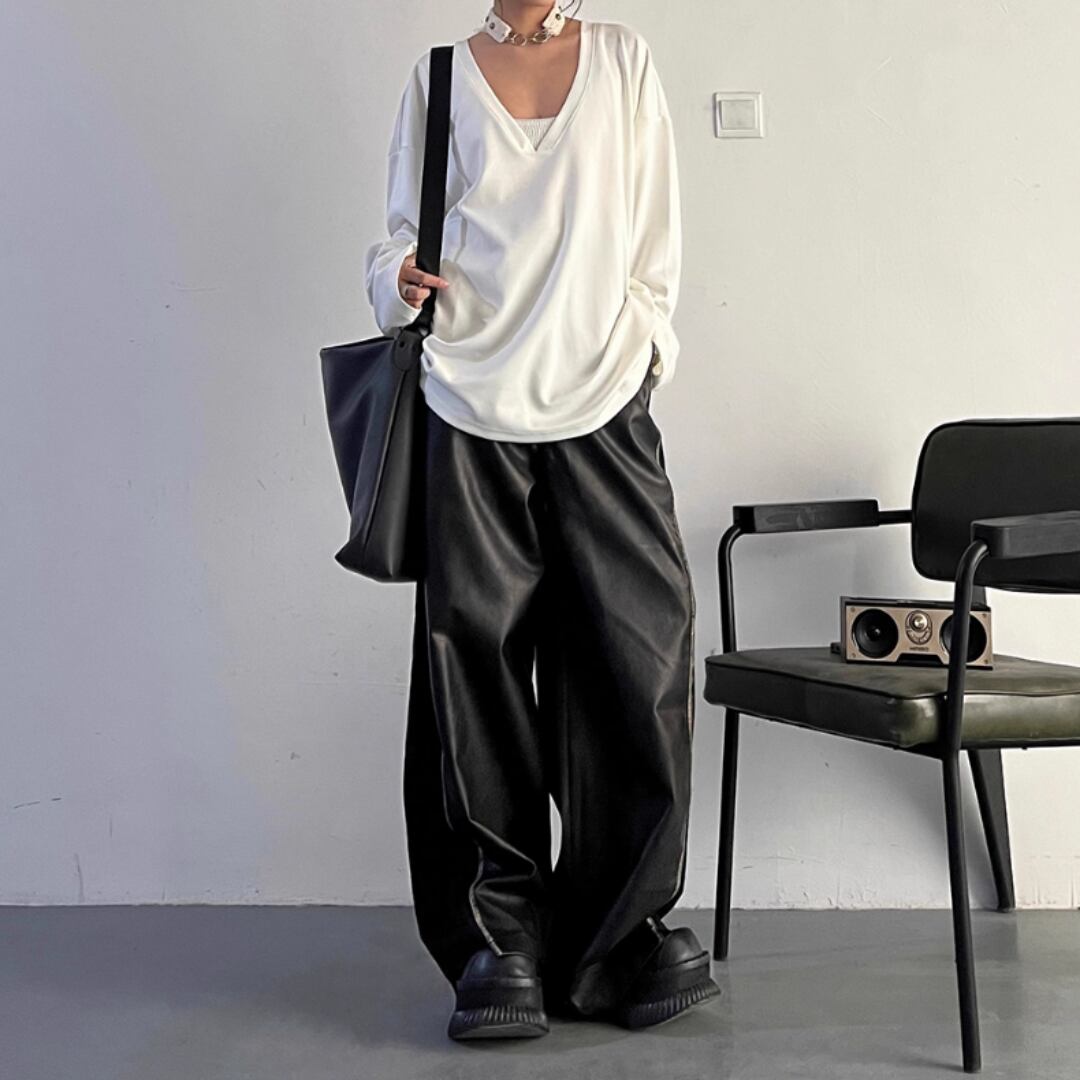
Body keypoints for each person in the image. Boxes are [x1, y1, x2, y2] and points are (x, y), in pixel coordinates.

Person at [363, 0, 719, 1041]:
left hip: (603, 395)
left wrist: (645, 349)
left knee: (640, 657)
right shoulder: (440, 74)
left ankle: (619, 939)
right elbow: (396, 237)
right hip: (465, 399)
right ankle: (499, 943)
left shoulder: (622, 60)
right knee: (471, 669)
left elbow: (654, 235)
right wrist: (395, 280)